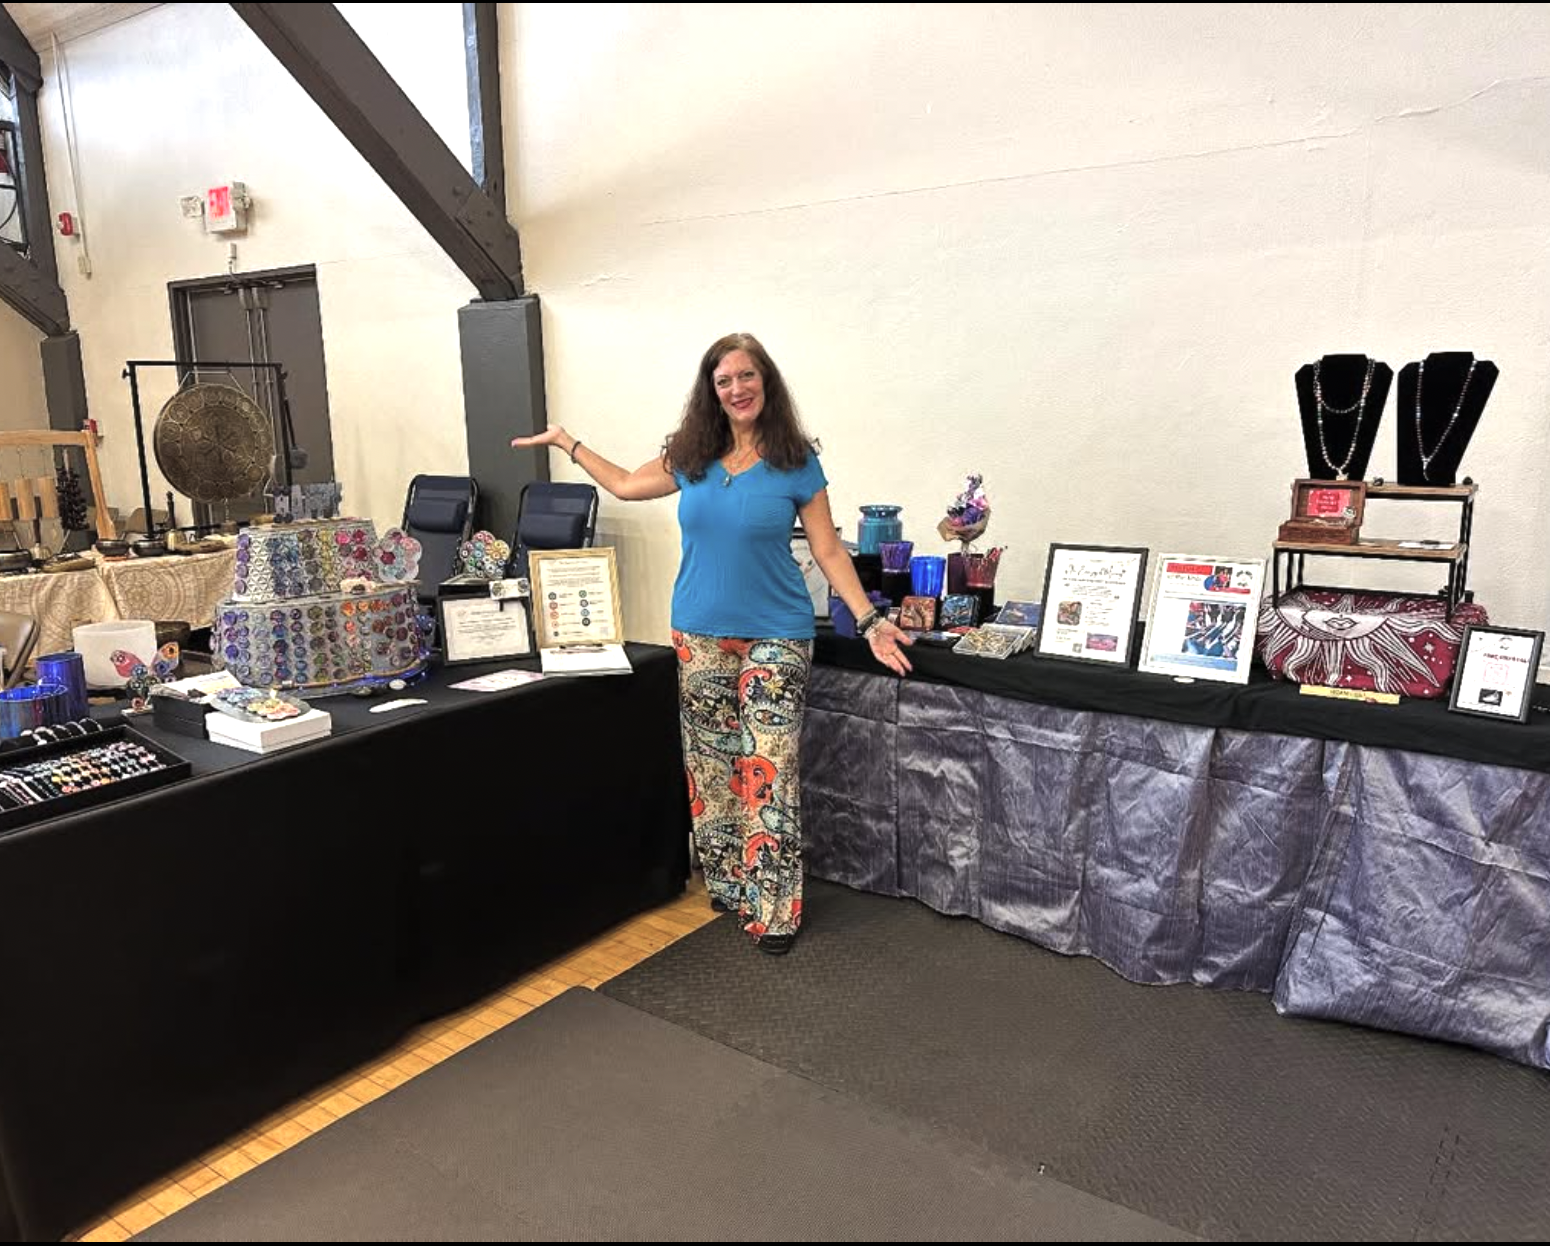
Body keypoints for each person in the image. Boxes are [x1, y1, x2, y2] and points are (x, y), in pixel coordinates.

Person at [512, 332, 912, 955]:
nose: (737, 389)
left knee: (768, 770)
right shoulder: (690, 455)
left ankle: (775, 910)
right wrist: (568, 443)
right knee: (712, 767)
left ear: (766, 383)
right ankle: (730, 882)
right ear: (712, 392)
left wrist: (869, 621)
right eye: (724, 381)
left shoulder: (795, 460)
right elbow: (622, 484)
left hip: (777, 635)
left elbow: (829, 549)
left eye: (747, 377)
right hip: (698, 632)